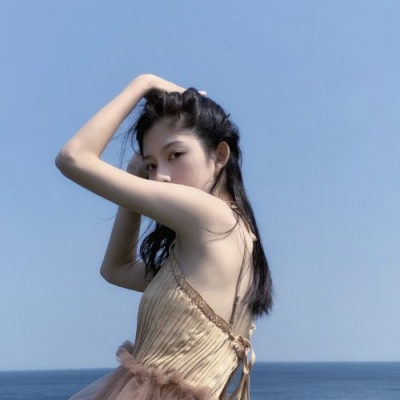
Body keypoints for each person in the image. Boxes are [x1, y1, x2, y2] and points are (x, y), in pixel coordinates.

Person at [56, 74, 273, 400]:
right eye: (152, 166)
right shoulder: (234, 237)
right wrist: (134, 172)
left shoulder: (210, 217)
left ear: (220, 155)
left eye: (175, 155)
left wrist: (142, 83)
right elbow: (116, 269)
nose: (161, 177)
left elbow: (73, 157)